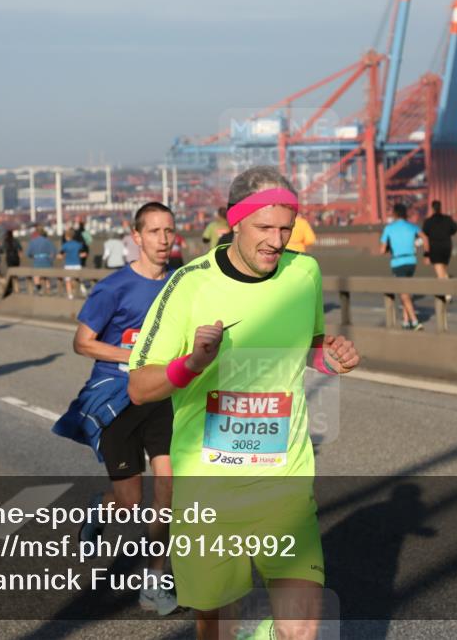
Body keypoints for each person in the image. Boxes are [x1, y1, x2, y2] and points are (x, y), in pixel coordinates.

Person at [128, 166, 361, 640]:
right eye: (264, 227)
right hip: (209, 490)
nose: (277, 241)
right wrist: (191, 364)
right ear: (235, 222)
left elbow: (307, 345)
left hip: (284, 483)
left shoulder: (305, 273)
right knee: (216, 625)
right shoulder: (189, 284)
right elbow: (139, 387)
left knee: (301, 630)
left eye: (286, 227)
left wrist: (330, 356)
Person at [55, 202, 179, 616]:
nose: (163, 239)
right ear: (137, 236)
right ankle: (101, 505)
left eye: (169, 231)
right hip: (117, 397)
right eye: (155, 232)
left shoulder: (180, 284)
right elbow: (82, 342)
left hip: (161, 395)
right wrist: (135, 353)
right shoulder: (114, 287)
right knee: (130, 502)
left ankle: (154, 581)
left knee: (168, 486)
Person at [379, 203, 423, 330]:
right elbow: (424, 237)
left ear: (394, 214)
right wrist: (427, 253)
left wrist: (388, 248)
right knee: (406, 291)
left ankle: (414, 321)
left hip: (398, 262)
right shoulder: (412, 226)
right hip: (411, 261)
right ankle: (405, 320)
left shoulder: (389, 228)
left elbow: (382, 250)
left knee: (403, 293)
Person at [421, 200, 457, 280]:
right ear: (440, 207)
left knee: (440, 274)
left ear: (432, 208)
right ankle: (446, 288)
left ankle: (446, 290)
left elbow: (425, 237)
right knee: (443, 270)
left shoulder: (428, 221)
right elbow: (455, 229)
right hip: (446, 248)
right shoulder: (447, 219)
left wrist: (426, 255)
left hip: (435, 249)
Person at [58, 229, 88, 299]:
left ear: (66, 236)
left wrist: (61, 256)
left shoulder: (65, 245)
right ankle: (83, 290)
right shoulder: (78, 244)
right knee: (78, 279)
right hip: (77, 264)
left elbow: (60, 256)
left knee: (68, 281)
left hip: (68, 265)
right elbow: (83, 254)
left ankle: (70, 296)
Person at [27, 226, 56, 293]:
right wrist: (50, 259)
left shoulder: (33, 241)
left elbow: (29, 253)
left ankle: (39, 288)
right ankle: (48, 292)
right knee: (46, 278)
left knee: (36, 276)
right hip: (46, 261)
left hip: (37, 261)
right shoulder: (47, 241)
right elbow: (53, 252)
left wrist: (34, 257)